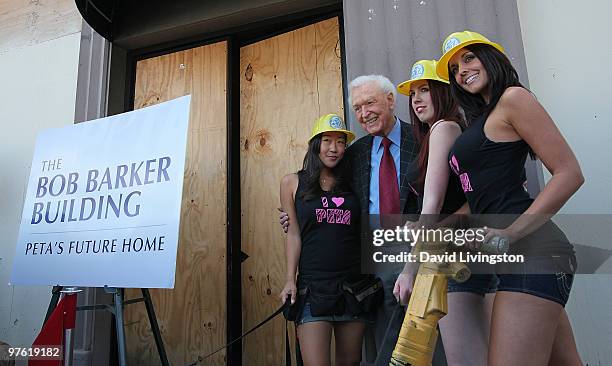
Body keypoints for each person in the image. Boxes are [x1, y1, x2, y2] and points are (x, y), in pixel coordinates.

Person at [435, 30, 584, 365]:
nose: (462, 70)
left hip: (534, 252)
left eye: (469, 57)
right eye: (455, 68)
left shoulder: (513, 99)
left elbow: (569, 173)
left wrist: (510, 233)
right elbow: (479, 201)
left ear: (490, 57)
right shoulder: (482, 118)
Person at [281, 75, 421, 365]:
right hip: (347, 275)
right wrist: (292, 220)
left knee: (423, 340)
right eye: (357, 107)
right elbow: (302, 222)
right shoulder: (349, 157)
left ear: (391, 101)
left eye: (370, 102)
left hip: (403, 262)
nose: (364, 112)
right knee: (381, 347)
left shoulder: (420, 142)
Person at [396, 60, 497, 366]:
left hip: (452, 257)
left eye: (425, 90)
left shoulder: (443, 128)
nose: (416, 99)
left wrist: (409, 268)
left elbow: (433, 206)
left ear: (443, 91)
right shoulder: (446, 131)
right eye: (413, 93)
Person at [279, 113, 366, 366]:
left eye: (340, 142)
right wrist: (289, 280)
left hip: (353, 287)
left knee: (350, 362)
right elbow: (294, 234)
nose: (334, 148)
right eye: (327, 140)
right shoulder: (292, 182)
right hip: (312, 288)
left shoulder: (355, 182)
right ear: (315, 143)